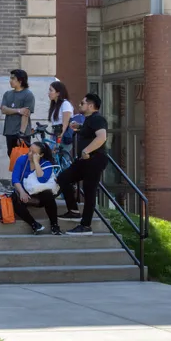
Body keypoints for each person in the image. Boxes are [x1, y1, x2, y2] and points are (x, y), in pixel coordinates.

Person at [56, 93, 109, 235]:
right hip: (84, 161)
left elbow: (102, 137)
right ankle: (73, 211)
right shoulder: (89, 120)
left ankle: (85, 226)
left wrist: (87, 150)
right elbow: (91, 133)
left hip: (95, 159)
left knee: (89, 192)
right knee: (63, 178)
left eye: (82, 103)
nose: (79, 105)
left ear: (90, 106)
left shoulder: (97, 118)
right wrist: (79, 127)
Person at [10, 142, 64, 236]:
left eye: (34, 152)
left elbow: (42, 179)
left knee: (48, 195)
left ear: (41, 154)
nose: (30, 154)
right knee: (14, 198)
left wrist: (36, 162)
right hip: (25, 193)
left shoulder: (46, 164)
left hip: (40, 195)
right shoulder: (22, 159)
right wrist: (22, 192)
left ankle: (54, 225)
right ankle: (34, 224)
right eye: (29, 150)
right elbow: (15, 179)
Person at [0, 69, 35, 156]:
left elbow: (25, 115)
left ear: (20, 80)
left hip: (22, 133)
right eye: (10, 78)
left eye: (12, 78)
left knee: (23, 159)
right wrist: (18, 110)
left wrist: (21, 134)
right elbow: (3, 109)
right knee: (12, 158)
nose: (10, 81)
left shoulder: (28, 94)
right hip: (9, 132)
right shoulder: (7, 94)